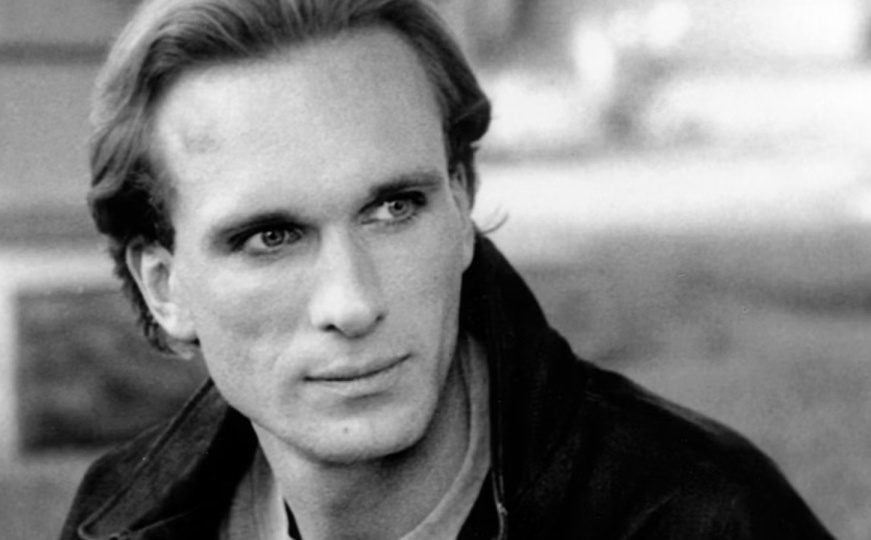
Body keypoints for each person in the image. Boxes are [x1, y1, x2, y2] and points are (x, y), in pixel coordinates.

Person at [60, 1, 835, 539]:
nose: (351, 303)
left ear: (461, 205)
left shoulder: (694, 519)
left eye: (392, 208)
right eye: (270, 237)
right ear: (164, 287)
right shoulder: (122, 517)